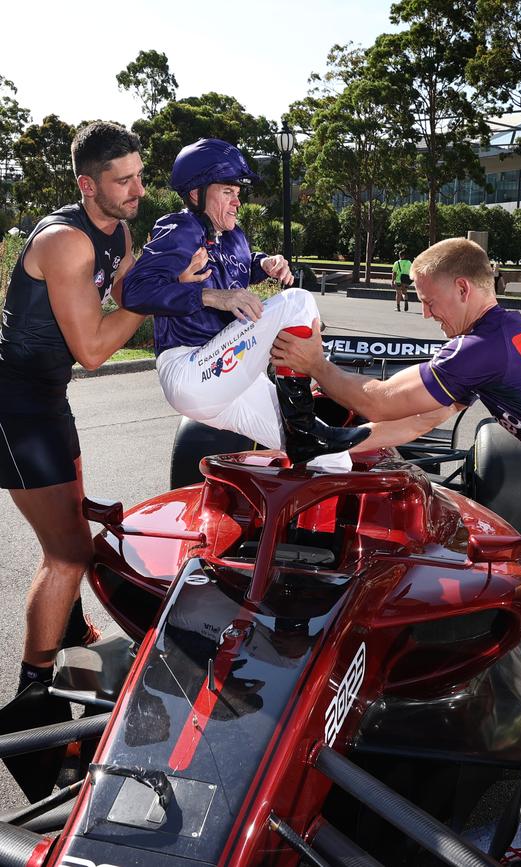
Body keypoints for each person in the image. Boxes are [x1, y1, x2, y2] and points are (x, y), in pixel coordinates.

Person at [271, 237, 521, 861]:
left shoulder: (487, 346)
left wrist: (319, 365)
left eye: (428, 300)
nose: (425, 313)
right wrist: (337, 446)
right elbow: (415, 419)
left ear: (464, 289)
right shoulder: (491, 337)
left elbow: (382, 399)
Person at [0, 122, 146, 695]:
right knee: (66, 554)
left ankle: (73, 636)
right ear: (88, 184)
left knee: (74, 535)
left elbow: (129, 285)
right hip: (15, 407)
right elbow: (92, 350)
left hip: (48, 401)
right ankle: (33, 688)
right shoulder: (67, 241)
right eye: (123, 180)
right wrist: (152, 298)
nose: (136, 189)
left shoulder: (115, 230)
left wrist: (196, 287)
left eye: (139, 175)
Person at [122, 138, 369, 469]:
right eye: (227, 191)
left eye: (238, 193)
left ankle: (302, 449)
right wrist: (211, 296)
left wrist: (264, 264)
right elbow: (134, 291)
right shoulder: (180, 227)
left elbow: (236, 263)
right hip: (190, 368)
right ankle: (304, 424)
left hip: (229, 379)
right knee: (297, 301)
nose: (237, 201)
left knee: (334, 460)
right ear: (196, 193)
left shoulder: (233, 235)